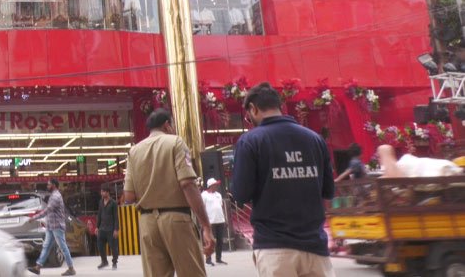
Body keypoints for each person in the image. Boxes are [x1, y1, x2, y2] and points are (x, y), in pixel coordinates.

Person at [231, 82, 336, 277]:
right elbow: (329, 191)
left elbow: (240, 194)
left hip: (274, 248)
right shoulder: (314, 139)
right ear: (279, 106)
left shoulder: (250, 141)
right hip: (315, 246)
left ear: (253, 109)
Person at [123, 109, 214, 277]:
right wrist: (206, 225)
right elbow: (188, 184)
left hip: (147, 222)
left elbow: (129, 196)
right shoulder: (175, 143)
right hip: (176, 218)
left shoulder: (134, 151)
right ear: (167, 125)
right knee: (192, 273)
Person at [26, 179, 76, 276]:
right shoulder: (53, 196)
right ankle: (38, 267)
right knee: (46, 246)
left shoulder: (56, 197)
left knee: (63, 247)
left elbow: (47, 211)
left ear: (54, 185)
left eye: (49, 185)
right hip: (51, 226)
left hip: (56, 226)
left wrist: (34, 218)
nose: (47, 186)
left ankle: (71, 268)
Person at [201, 178, 227, 266]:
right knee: (209, 241)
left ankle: (218, 259)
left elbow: (221, 207)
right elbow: (202, 208)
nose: (217, 186)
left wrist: (225, 218)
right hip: (210, 221)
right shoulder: (203, 195)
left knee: (220, 240)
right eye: (215, 184)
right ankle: (208, 260)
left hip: (220, 220)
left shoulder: (218, 195)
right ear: (211, 185)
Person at [96, 185, 119, 270]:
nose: (102, 193)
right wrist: (97, 227)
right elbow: (99, 215)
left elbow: (116, 217)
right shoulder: (101, 202)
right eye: (101, 191)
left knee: (113, 247)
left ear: (108, 192)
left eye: (103, 191)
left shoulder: (113, 203)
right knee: (100, 245)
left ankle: (114, 263)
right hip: (102, 228)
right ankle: (104, 261)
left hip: (111, 229)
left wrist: (116, 229)